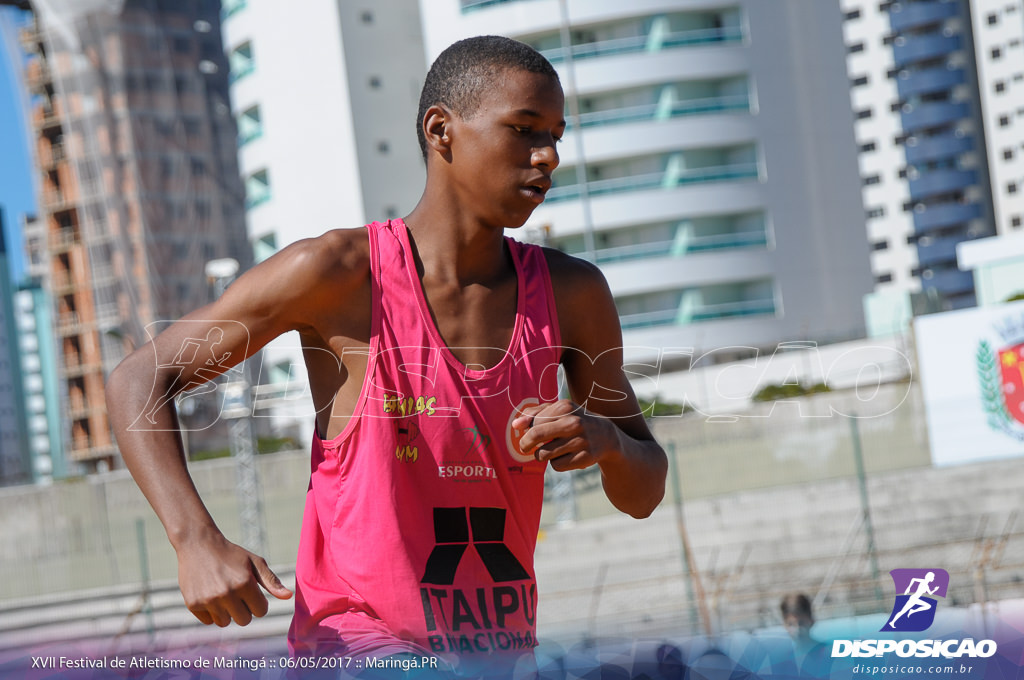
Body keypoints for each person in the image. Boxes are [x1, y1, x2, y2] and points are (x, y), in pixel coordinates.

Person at [105, 35, 667, 676]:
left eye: (557, 136)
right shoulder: (336, 273)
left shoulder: (571, 293)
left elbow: (644, 492)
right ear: (441, 130)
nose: (548, 157)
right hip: (354, 645)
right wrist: (194, 538)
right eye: (524, 129)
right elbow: (140, 377)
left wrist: (608, 443)